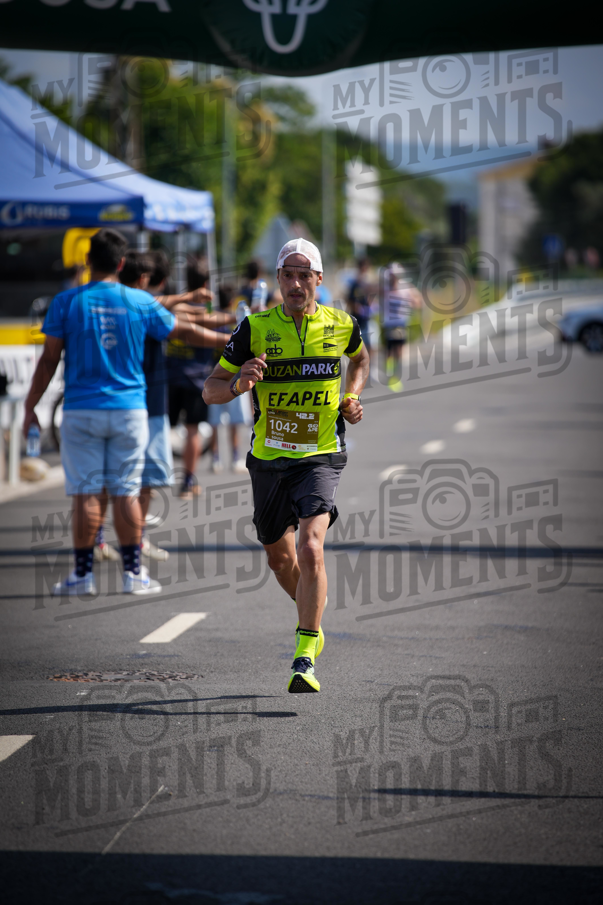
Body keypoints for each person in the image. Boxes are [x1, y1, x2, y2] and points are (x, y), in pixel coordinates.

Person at [23, 228, 230, 597]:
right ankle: (134, 573)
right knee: (126, 493)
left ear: (88, 261)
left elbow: (48, 361)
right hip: (130, 410)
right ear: (121, 263)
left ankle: (82, 576)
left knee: (86, 493)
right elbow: (183, 331)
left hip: (81, 410)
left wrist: (30, 407)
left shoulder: (66, 302)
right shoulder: (138, 301)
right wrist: (228, 340)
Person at [203, 238, 370, 693]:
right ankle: (312, 610)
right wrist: (239, 384)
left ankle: (304, 652)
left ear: (319, 279)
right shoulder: (254, 329)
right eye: (287, 275)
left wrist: (351, 397)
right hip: (268, 459)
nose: (295, 283)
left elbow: (360, 360)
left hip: (319, 454)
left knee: (311, 549)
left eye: (304, 274)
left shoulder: (342, 324)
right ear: (277, 280)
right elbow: (210, 389)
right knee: (280, 560)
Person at [165, 268, 236, 499]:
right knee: (192, 431)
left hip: (171, 377)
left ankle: (152, 480)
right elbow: (217, 336)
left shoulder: (175, 308)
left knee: (161, 429)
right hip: (196, 380)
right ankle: (187, 481)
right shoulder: (208, 312)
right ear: (206, 284)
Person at [207, 285, 253, 474]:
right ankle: (235, 458)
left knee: (215, 423)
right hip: (235, 378)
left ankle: (215, 459)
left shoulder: (213, 319)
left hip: (215, 376)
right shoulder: (238, 322)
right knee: (235, 421)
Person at [380, 262, 421, 392]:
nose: (393, 278)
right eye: (391, 275)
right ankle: (389, 372)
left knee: (399, 351)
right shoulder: (384, 288)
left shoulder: (406, 288)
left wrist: (413, 302)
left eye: (395, 275)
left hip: (401, 323)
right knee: (388, 351)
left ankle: (394, 376)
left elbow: (418, 301)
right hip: (388, 324)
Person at [346, 257, 374, 355]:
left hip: (369, 319)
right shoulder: (355, 284)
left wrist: (372, 307)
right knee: (359, 347)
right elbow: (349, 300)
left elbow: (372, 298)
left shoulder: (369, 283)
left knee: (372, 345)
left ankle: (371, 367)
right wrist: (359, 309)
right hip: (357, 320)